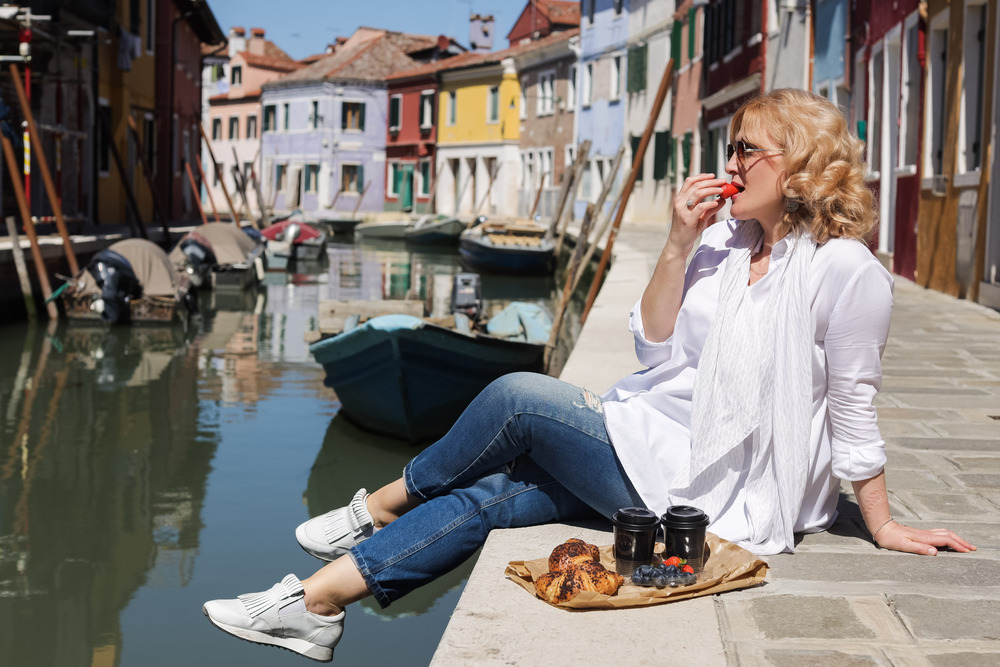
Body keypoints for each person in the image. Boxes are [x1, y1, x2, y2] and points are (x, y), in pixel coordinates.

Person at [202, 89, 975, 662]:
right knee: (491, 495)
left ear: (802, 164)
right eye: (730, 147)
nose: (729, 164)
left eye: (748, 150)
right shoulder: (722, 250)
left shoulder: (845, 271)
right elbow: (654, 352)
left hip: (715, 485)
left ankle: (378, 504)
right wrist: (677, 243)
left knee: (517, 399)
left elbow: (852, 401)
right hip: (658, 442)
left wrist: (879, 521)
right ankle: (315, 603)